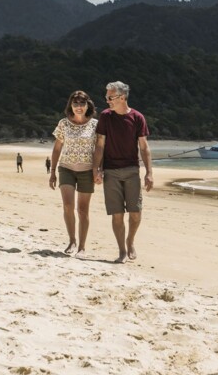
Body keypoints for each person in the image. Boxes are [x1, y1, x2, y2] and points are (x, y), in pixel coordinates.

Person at [93, 81, 153, 264]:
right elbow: (100, 145)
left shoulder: (137, 117)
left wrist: (149, 172)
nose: (107, 100)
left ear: (122, 97)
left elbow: (144, 147)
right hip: (110, 172)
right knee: (117, 214)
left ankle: (130, 241)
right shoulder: (105, 116)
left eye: (110, 97)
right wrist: (96, 169)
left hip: (132, 170)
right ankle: (121, 251)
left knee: (135, 212)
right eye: (106, 97)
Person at [49, 91, 98, 257]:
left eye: (82, 103)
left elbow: (100, 150)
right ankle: (72, 241)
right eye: (75, 103)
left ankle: (82, 247)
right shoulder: (63, 124)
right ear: (70, 105)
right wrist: (52, 172)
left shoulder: (95, 125)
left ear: (87, 105)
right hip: (66, 168)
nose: (78, 107)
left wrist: (99, 170)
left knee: (83, 210)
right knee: (68, 206)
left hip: (87, 170)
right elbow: (57, 148)